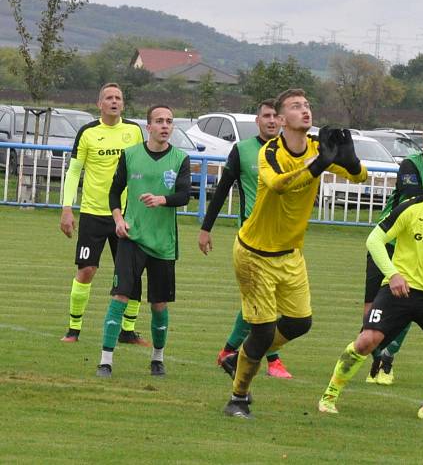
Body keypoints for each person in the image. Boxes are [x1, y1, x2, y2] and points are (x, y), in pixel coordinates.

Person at [223, 88, 367, 419]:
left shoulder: (318, 147)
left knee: (301, 322)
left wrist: (349, 157)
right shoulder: (271, 151)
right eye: (295, 106)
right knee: (261, 330)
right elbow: (278, 184)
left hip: (290, 255)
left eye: (306, 105)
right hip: (254, 254)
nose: (305, 110)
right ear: (280, 118)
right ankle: (238, 398)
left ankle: (240, 358)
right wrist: (319, 166)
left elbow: (360, 177)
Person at [318, 156, 423, 419]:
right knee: (367, 341)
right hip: (400, 290)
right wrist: (393, 274)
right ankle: (330, 395)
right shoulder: (411, 207)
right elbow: (374, 240)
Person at [198, 100, 292, 379]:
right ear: (257, 120)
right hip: (252, 239)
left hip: (284, 238)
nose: (272, 121)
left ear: (283, 120)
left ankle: (228, 351)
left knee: (259, 300)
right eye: (267, 116)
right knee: (265, 299)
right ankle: (272, 359)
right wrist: (206, 228)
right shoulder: (242, 150)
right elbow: (222, 190)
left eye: (276, 116)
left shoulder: (292, 151)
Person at [95, 105, 191, 377]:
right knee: (120, 295)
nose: (165, 125)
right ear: (148, 126)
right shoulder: (131, 155)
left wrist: (162, 199)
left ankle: (157, 358)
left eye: (169, 121)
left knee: (159, 304)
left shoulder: (180, 159)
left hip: (163, 242)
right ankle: (105, 360)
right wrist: (118, 219)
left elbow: (185, 195)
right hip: (132, 238)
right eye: (159, 121)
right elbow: (115, 192)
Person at [60, 82, 148, 345]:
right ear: (99, 104)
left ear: (123, 103)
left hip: (126, 215)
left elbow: (141, 166)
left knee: (131, 273)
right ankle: (74, 329)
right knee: (86, 270)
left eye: (118, 98)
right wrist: (66, 208)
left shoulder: (133, 131)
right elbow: (75, 171)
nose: (114, 101)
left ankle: (128, 331)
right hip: (92, 214)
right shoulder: (87, 132)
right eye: (108, 98)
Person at [364, 123, 423, 385]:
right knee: (369, 311)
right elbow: (414, 197)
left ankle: (386, 360)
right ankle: (377, 357)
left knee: (408, 301)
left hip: (415, 249)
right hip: (387, 242)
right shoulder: (410, 165)